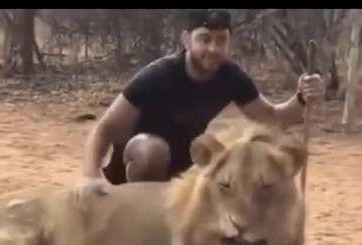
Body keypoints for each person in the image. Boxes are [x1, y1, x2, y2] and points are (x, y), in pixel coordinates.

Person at [78, 9, 324, 198]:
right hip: (135, 168)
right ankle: (142, 220)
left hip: (185, 170)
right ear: (186, 40)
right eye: (204, 39)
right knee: (152, 151)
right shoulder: (158, 75)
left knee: (236, 157)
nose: (214, 48)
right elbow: (105, 128)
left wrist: (302, 98)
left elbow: (271, 119)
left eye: (221, 40)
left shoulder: (231, 76)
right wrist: (90, 177)